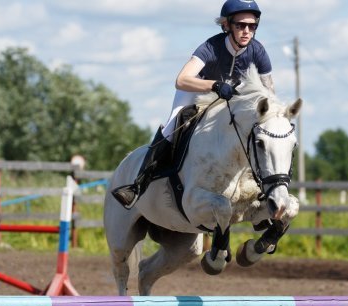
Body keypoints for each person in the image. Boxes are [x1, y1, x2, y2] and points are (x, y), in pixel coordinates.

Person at [111, 0, 275, 209]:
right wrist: (214, 85)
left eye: (252, 26)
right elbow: (181, 79)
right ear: (226, 25)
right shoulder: (211, 46)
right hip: (197, 90)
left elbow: (269, 91)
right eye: (240, 25)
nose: (246, 31)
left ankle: (264, 187)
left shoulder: (258, 52)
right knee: (172, 125)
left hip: (231, 98)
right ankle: (138, 185)